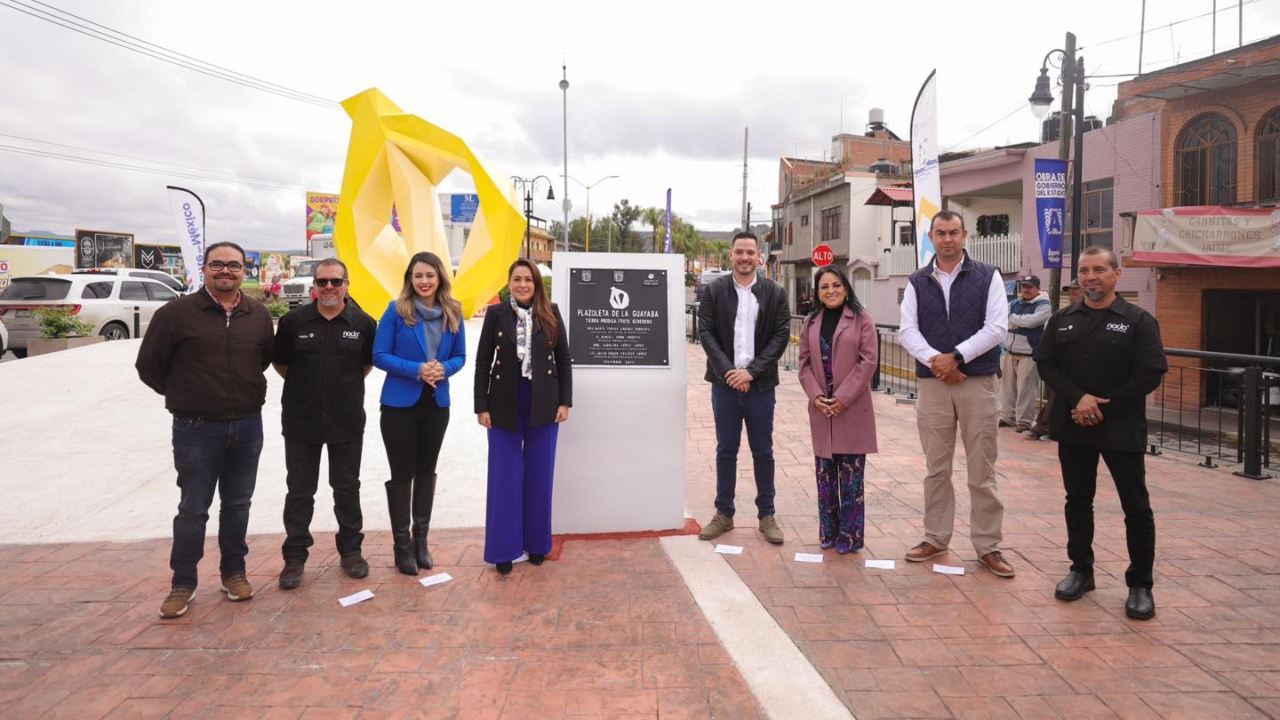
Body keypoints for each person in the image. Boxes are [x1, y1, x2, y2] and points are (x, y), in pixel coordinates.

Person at [136, 241, 275, 619]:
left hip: (247, 425)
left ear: (245, 270)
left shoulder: (258, 315)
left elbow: (260, 361)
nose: (225, 271)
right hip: (195, 428)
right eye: (218, 265)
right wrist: (186, 393)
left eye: (233, 265)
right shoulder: (176, 314)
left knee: (237, 504)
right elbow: (149, 366)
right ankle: (183, 583)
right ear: (205, 268)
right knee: (193, 508)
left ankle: (234, 573)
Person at [1035, 246, 1167, 620]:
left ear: (1116, 274)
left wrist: (1101, 405)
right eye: (1084, 270)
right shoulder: (1062, 319)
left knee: (1136, 507)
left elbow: (1151, 371)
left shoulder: (1138, 320)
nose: (1090, 277)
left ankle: (1140, 584)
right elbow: (1046, 364)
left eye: (1098, 270)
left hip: (1121, 426)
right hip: (1073, 423)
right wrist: (1080, 399)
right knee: (1077, 500)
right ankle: (1081, 570)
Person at [898, 211, 1014, 577]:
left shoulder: (989, 276)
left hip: (977, 380)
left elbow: (997, 327)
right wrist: (938, 362)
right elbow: (907, 331)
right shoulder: (917, 281)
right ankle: (936, 537)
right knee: (936, 468)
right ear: (930, 237)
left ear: (965, 235)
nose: (947, 239)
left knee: (982, 468)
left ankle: (988, 545)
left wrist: (958, 357)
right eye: (940, 233)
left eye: (953, 232)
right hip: (934, 383)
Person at [273, 259, 376, 589]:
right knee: (300, 491)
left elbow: (365, 365)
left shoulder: (363, 323)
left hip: (346, 421)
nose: (329, 287)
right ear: (313, 286)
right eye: (322, 282)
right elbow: (281, 363)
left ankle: (351, 552)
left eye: (335, 281)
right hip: (300, 421)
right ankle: (294, 558)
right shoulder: (292, 322)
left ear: (347, 284)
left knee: (347, 488)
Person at [475, 260, 572, 575]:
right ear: (509, 282)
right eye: (516, 279)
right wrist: (481, 406)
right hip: (503, 402)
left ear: (536, 284)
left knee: (539, 475)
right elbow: (482, 362)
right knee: (504, 477)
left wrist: (565, 402)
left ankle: (537, 545)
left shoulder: (551, 312)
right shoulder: (496, 314)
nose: (522, 285)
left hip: (544, 402)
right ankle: (504, 549)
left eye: (528, 280)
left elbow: (564, 359)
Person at [373, 252, 466, 575]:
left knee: (427, 471)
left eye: (429, 275)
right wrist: (417, 370)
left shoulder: (453, 312)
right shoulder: (395, 311)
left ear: (440, 277)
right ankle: (402, 546)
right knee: (402, 475)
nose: (424, 281)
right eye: (418, 276)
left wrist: (443, 368)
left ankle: (421, 541)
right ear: (409, 280)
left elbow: (461, 356)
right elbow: (379, 354)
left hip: (436, 404)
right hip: (399, 405)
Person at [696, 231, 791, 545]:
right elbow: (706, 332)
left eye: (750, 252)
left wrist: (750, 373)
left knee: (763, 451)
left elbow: (780, 336)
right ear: (731, 254)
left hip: (761, 386)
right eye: (739, 252)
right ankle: (724, 514)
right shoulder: (714, 291)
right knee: (726, 450)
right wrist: (728, 372)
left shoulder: (775, 292)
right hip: (724, 386)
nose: (745, 258)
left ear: (759, 255)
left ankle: (767, 515)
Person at [797, 266, 877, 553]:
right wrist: (817, 396)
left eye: (836, 285)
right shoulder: (811, 321)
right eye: (824, 287)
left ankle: (850, 536)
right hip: (822, 409)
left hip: (851, 408)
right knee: (825, 476)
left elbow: (867, 362)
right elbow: (803, 364)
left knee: (851, 478)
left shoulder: (862, 319)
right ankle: (828, 533)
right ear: (818, 293)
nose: (830, 291)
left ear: (846, 288)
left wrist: (842, 398)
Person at [1028, 279, 1084, 440]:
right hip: (1056, 367)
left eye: (1076, 291)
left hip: (1074, 369)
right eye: (1070, 291)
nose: (1072, 294)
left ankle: (1044, 426)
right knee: (1053, 397)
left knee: (1056, 398)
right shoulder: (1062, 315)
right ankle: (1045, 426)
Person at [999, 275, 1051, 434]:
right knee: (1007, 389)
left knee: (1026, 391)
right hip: (1009, 351)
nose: (1026, 290)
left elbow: (1032, 322)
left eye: (1029, 287)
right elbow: (1001, 320)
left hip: (1029, 354)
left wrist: (1012, 319)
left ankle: (1024, 422)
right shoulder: (1014, 303)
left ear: (1037, 288)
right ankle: (1008, 417)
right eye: (1024, 287)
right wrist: (1020, 322)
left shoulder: (1044, 305)